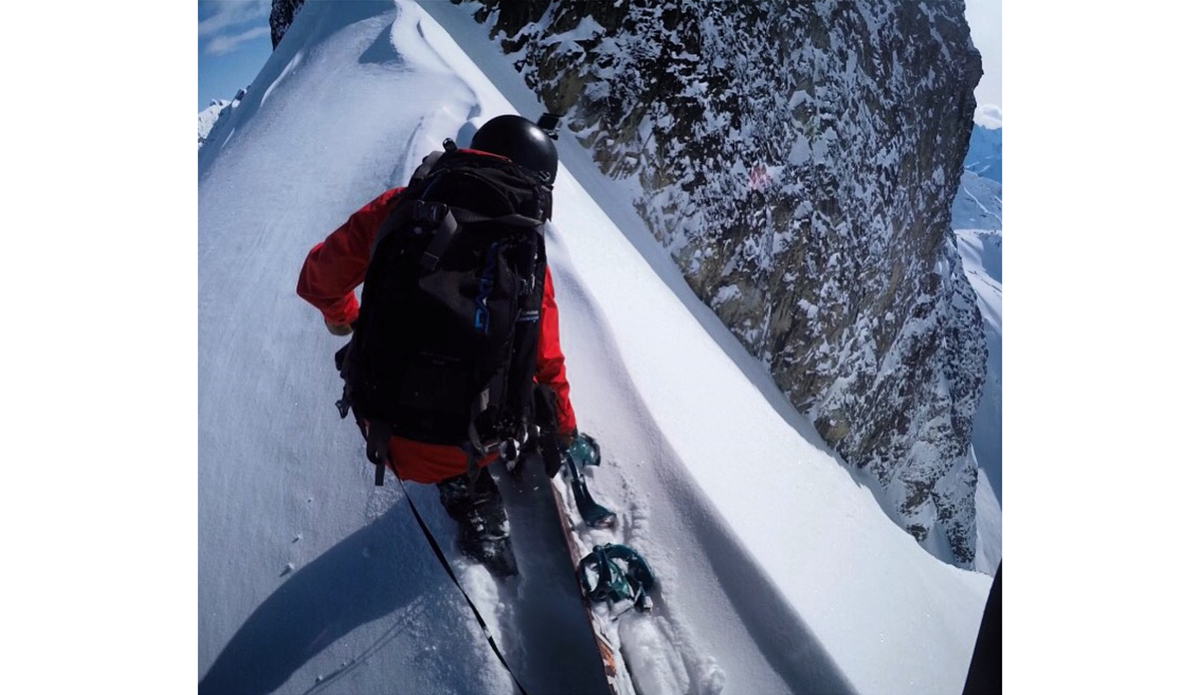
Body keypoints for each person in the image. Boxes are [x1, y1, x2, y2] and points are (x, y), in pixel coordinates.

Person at [296, 115, 579, 577]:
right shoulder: (524, 248)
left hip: (382, 426)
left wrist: (346, 317)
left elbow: (316, 280)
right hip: (479, 439)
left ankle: (465, 498)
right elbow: (547, 361)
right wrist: (563, 427)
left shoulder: (401, 206)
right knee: (518, 369)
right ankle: (482, 486)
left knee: (436, 452)